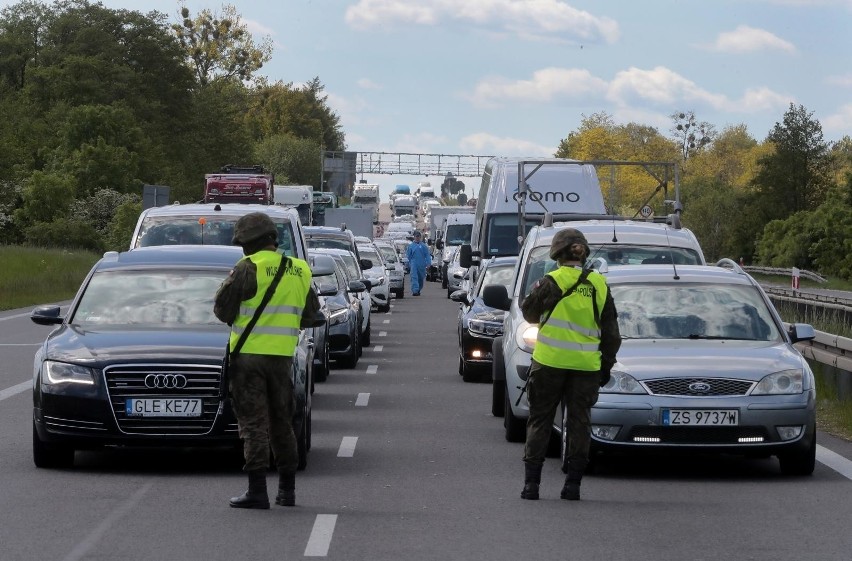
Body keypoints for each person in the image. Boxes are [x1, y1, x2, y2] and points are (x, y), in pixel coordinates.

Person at [214, 212, 323, 509]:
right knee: (282, 423)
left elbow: (222, 311)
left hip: (248, 359)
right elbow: (312, 315)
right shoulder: (300, 270)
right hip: (283, 359)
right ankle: (287, 491)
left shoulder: (248, 268)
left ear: (249, 244)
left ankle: (257, 490)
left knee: (253, 424)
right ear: (274, 239)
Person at [519, 228, 621, 501]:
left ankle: (531, 486)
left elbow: (528, 313)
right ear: (584, 253)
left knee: (539, 421)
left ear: (556, 254)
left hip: (549, 363)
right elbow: (612, 335)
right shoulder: (600, 285)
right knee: (579, 424)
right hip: (586, 367)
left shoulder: (550, 281)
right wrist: (605, 367)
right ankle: (573, 486)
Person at [405, 230, 431, 296]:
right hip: (414, 263)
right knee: (414, 277)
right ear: (414, 237)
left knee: (420, 278)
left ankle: (418, 289)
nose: (417, 238)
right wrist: (409, 263)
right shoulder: (411, 246)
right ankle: (415, 290)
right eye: (416, 236)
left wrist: (428, 263)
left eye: (418, 236)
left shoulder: (424, 246)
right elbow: (408, 256)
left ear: (420, 237)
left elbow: (427, 255)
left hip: (422, 264)